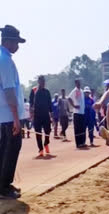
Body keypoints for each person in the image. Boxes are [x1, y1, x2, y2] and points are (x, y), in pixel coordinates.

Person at [0, 25, 26, 199]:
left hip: (4, 114)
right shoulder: (5, 60)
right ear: (8, 41)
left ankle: (2, 184)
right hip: (9, 115)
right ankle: (4, 186)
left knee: (4, 148)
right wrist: (16, 119)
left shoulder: (3, 58)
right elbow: (9, 91)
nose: (18, 46)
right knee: (12, 147)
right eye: (16, 42)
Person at [30, 76, 53, 156]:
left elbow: (50, 104)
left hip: (46, 115)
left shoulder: (47, 92)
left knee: (48, 131)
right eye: (41, 81)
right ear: (38, 82)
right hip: (37, 116)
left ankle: (46, 143)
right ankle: (40, 149)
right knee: (38, 133)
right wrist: (31, 114)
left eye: (44, 81)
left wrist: (51, 115)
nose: (43, 83)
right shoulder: (34, 90)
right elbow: (31, 103)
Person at [68, 79, 87, 148]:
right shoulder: (74, 90)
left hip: (82, 112)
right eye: (77, 83)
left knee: (82, 128)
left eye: (79, 83)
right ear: (75, 83)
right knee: (77, 129)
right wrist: (74, 105)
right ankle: (78, 143)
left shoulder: (81, 91)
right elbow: (69, 98)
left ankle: (82, 142)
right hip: (77, 113)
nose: (79, 84)